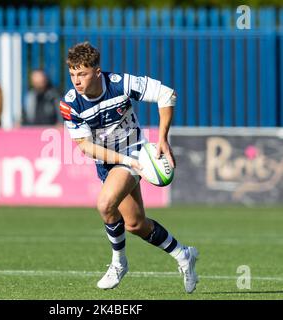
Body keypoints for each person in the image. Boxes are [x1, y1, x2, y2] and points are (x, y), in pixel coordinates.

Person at [59, 42, 199, 293]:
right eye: (72, 74)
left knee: (105, 204)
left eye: (82, 73)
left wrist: (163, 138)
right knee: (135, 224)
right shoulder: (71, 105)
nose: (76, 81)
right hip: (110, 160)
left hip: (135, 152)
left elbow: (167, 94)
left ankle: (119, 263)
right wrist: (122, 162)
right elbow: (85, 147)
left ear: (97, 72)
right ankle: (183, 254)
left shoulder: (120, 83)